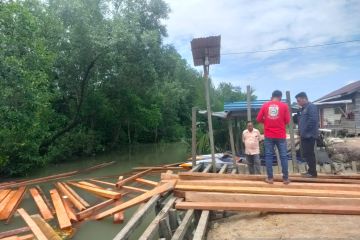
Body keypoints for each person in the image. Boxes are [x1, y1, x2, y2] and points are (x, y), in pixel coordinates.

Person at [256, 90, 290, 184]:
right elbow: (287, 121)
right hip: (281, 135)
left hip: (269, 135)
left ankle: (270, 178)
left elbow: (258, 119)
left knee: (269, 156)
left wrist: (266, 121)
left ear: (272, 96)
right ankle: (286, 179)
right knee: (283, 156)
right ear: (280, 97)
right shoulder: (284, 106)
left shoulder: (265, 105)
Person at [295, 92, 319, 178]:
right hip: (305, 135)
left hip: (309, 135)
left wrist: (304, 132)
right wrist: (300, 131)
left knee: (309, 154)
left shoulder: (311, 107)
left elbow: (313, 121)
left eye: (299, 100)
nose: (298, 102)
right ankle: (310, 171)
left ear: (304, 98)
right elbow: (303, 122)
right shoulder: (303, 108)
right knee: (306, 153)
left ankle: (313, 173)